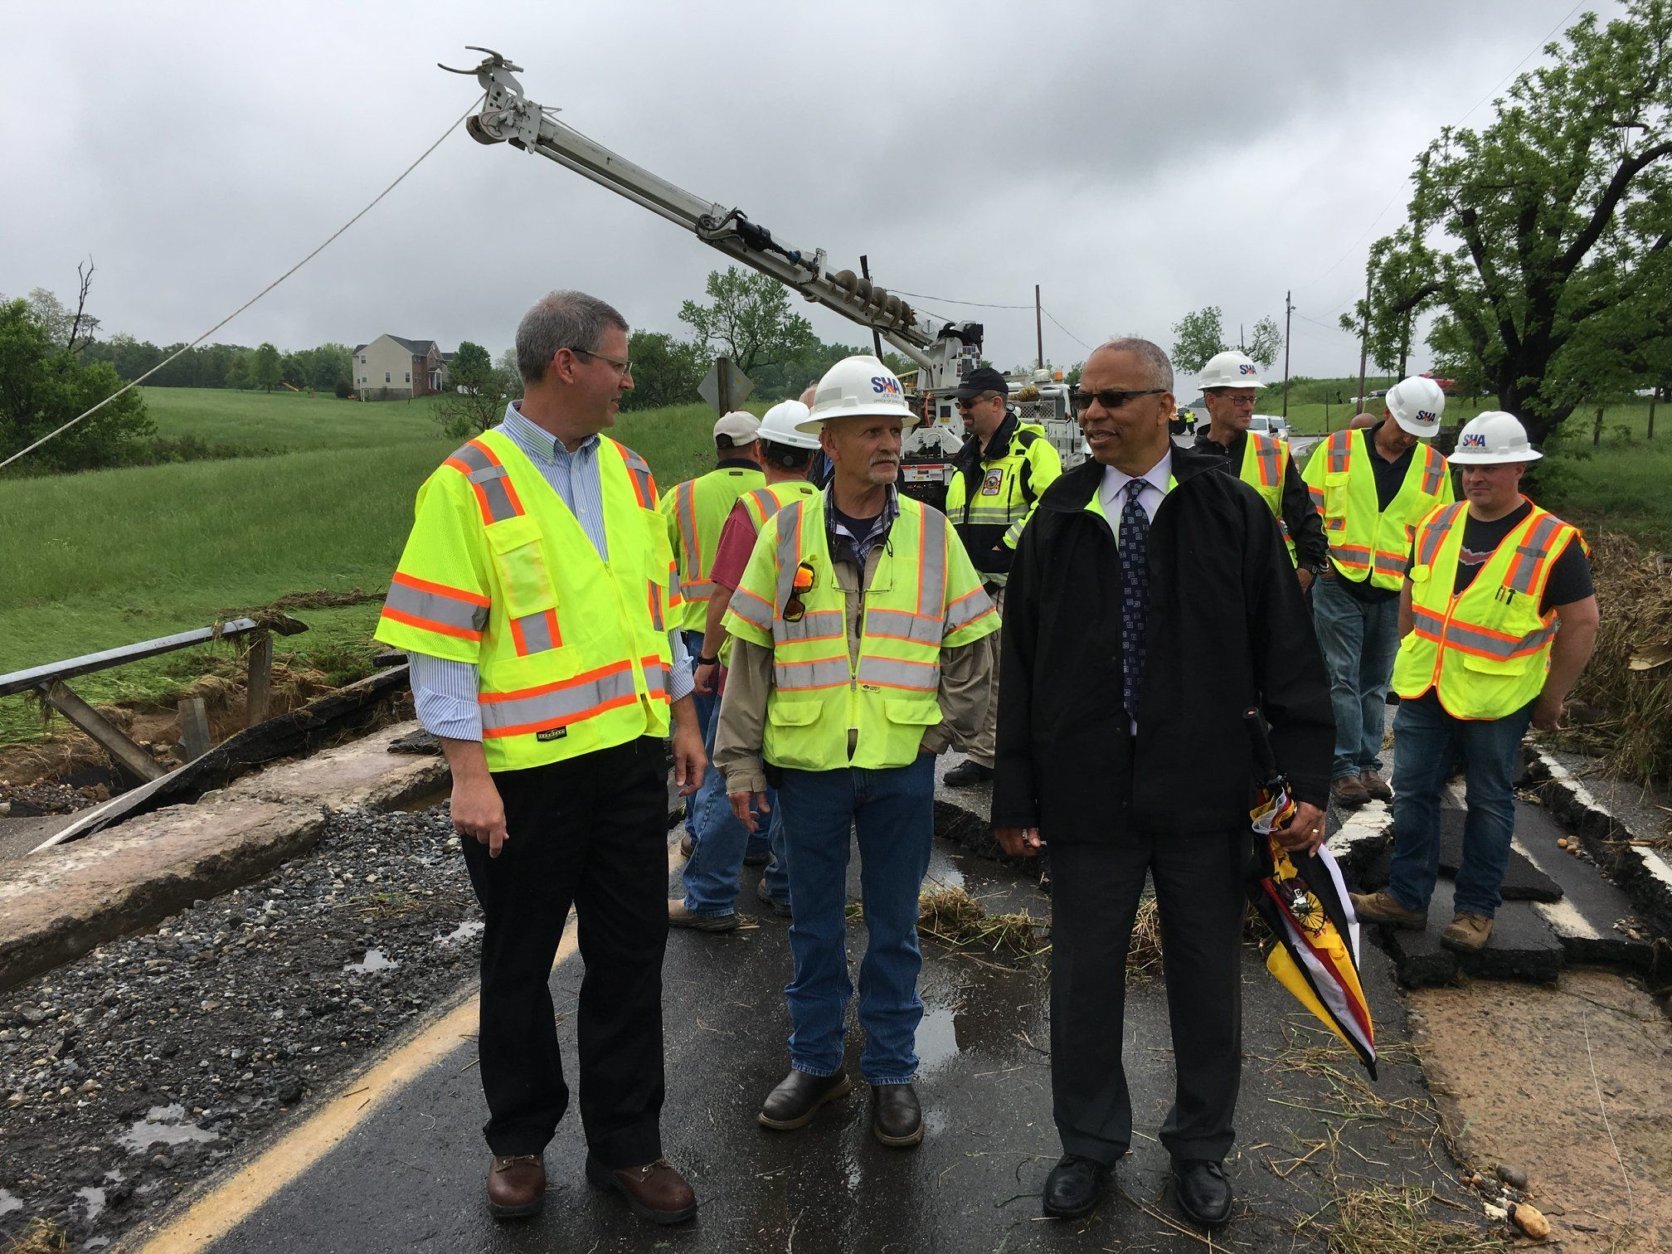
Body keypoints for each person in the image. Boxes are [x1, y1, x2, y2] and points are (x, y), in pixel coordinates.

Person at [375, 290, 706, 1225]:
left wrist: (683, 715)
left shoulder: (633, 474)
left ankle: (628, 1146)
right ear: (567, 364)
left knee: (630, 957)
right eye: (619, 364)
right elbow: (440, 644)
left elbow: (658, 612)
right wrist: (467, 775)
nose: (627, 382)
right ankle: (519, 1142)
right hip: (522, 778)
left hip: (627, 761)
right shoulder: (468, 482)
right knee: (519, 964)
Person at [991, 338, 1331, 1227]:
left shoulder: (1231, 510)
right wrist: (1014, 793)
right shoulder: (1062, 513)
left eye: (1112, 398)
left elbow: (1288, 653)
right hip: (1088, 793)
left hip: (1206, 792)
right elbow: (1021, 662)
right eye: (1085, 398)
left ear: (1165, 405)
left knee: (1207, 980)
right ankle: (1089, 1143)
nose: (1092, 413)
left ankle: (1200, 1148)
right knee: (1085, 979)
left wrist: (1307, 781)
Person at [714, 355, 999, 1149]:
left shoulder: (932, 534)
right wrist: (740, 762)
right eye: (871, 430)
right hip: (807, 770)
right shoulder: (786, 533)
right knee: (812, 928)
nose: (890, 443)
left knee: (894, 928)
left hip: (899, 768)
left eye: (895, 430)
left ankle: (891, 1071)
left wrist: (942, 732)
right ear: (829, 441)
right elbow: (751, 654)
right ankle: (815, 1063)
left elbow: (974, 644)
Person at [1352, 412, 1598, 952]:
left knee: (1488, 802)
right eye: (1467, 467)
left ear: (1519, 469)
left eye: (1488, 467)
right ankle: (1406, 897)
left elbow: (1582, 623)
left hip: (1497, 699)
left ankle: (1475, 911)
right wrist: (1411, 650)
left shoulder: (1553, 541)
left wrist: (1552, 697)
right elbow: (1411, 596)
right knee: (1412, 794)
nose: (1475, 477)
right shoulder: (1437, 524)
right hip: (1425, 690)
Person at [671, 399, 823, 929]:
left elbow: (724, 594)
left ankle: (710, 898)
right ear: (814, 455)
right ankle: (784, 885)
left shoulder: (754, 508)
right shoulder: (826, 504)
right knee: (791, 777)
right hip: (810, 667)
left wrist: (707, 659)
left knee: (727, 774)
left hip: (748, 665)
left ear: (762, 451)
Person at [1301, 376, 1453, 809]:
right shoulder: (1337, 448)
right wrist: (1318, 562)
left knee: (1376, 683)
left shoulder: (1435, 468)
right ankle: (1343, 768)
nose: (1408, 438)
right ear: (1388, 411)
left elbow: (1439, 533)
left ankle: (1368, 764)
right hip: (1339, 581)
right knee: (1341, 677)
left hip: (1394, 590)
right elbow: (1305, 508)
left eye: (1418, 432)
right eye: (1404, 427)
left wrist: (1422, 588)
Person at [941, 366, 1062, 787]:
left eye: (968, 403)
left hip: (1015, 582)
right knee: (986, 672)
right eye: (959, 404)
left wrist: (1008, 546)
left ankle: (1018, 754)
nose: (962, 411)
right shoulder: (967, 456)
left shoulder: (1030, 448)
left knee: (1018, 670)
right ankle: (988, 754)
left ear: (997, 402)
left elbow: (1051, 504)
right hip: (976, 584)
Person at [658, 411, 765, 735]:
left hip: (701, 637)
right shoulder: (773, 491)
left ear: (718, 449)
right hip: (761, 632)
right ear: (758, 447)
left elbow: (655, 561)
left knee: (705, 740)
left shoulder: (681, 495)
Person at [1191, 350, 1328, 587]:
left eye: (1251, 399)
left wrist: (1308, 568)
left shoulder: (1274, 453)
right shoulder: (1188, 461)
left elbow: (1304, 516)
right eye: (1239, 399)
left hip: (1270, 583)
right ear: (1211, 401)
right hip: (1210, 587)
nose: (1248, 407)